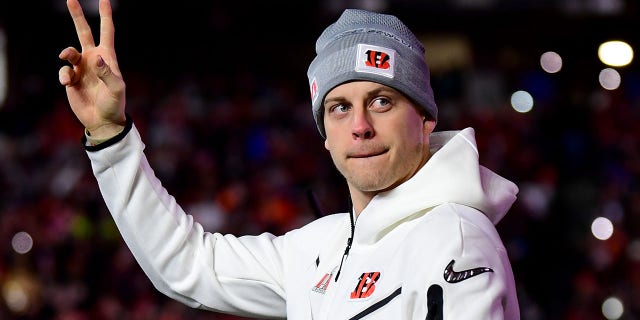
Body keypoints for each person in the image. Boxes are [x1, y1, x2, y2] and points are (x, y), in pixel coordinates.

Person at [58, 0, 520, 318]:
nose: (360, 125)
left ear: (424, 119)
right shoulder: (322, 246)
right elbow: (189, 266)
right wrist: (109, 136)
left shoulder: (453, 240)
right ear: (324, 135)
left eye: (382, 101)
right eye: (340, 108)